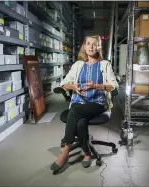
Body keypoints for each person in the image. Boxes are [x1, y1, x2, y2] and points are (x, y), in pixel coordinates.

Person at [50, 35, 119, 171]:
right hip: (78, 101)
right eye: (88, 43)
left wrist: (97, 86)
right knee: (80, 122)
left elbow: (114, 86)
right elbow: (64, 83)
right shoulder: (78, 65)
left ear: (99, 46)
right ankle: (87, 152)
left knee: (74, 112)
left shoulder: (105, 65)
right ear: (84, 46)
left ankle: (65, 151)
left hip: (97, 103)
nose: (91, 46)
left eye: (94, 44)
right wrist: (73, 86)